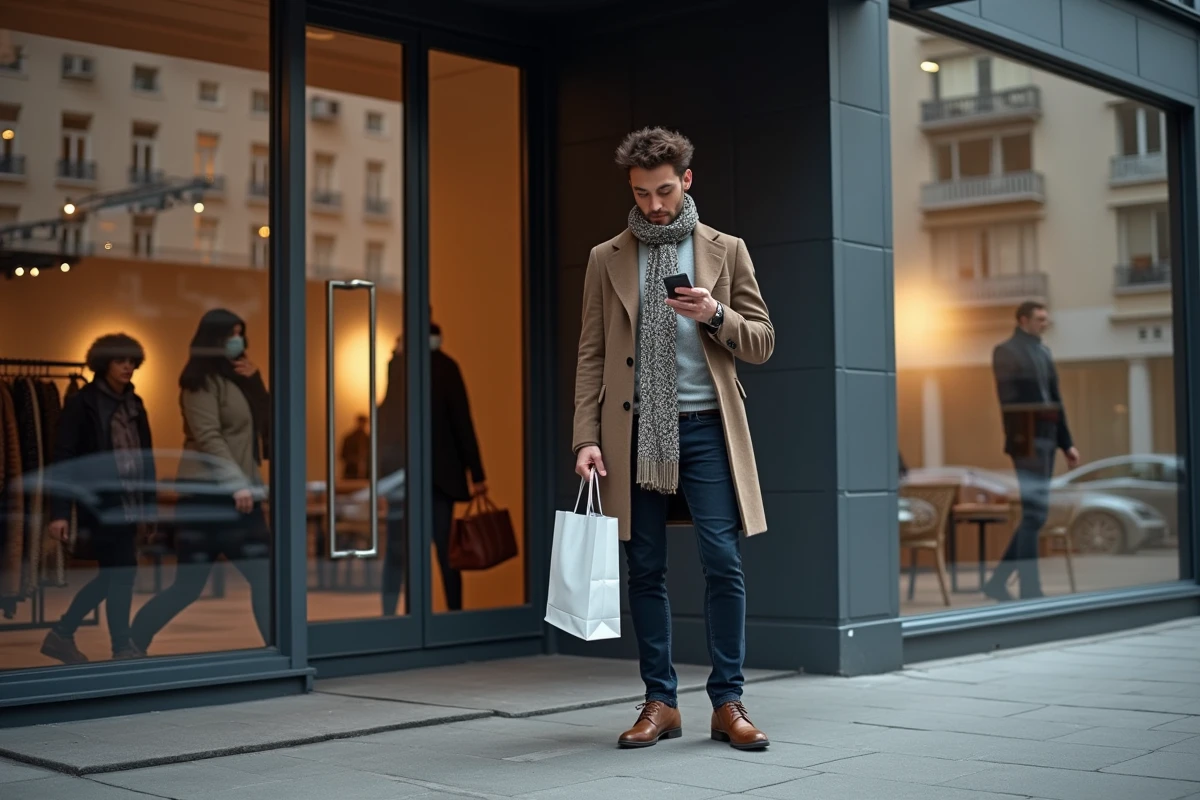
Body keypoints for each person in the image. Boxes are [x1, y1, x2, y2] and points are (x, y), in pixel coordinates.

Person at [572, 127, 774, 750]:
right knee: (646, 566)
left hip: (709, 428)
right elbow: (592, 355)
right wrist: (585, 436)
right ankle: (660, 701)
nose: (653, 205)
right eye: (641, 194)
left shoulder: (725, 249)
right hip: (634, 434)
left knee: (722, 558)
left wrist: (715, 314)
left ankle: (728, 702)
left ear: (686, 180)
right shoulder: (607, 257)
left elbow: (763, 340)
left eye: (663, 191)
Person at [130, 309, 272, 652]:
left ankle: (279, 649)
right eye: (230, 334)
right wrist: (235, 482)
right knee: (190, 586)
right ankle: (135, 637)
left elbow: (268, 426)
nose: (237, 340)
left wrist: (255, 382)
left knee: (266, 577)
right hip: (209, 496)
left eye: (240, 333)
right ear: (213, 339)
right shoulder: (198, 382)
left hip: (244, 496)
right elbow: (208, 437)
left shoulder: (238, 378)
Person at [40, 334, 155, 664]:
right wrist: (59, 512)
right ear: (104, 364)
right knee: (121, 573)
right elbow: (64, 458)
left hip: (131, 504)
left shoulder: (135, 403)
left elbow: (146, 459)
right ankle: (121, 646)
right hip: (100, 504)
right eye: (120, 361)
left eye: (132, 361)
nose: (128, 367)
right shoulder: (83, 402)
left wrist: (149, 507)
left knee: (114, 575)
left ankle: (63, 634)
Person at [380, 323, 486, 615]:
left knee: (402, 551)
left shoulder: (406, 366)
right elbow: (462, 421)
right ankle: (452, 616)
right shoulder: (444, 367)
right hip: (439, 477)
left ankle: (393, 617)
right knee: (444, 551)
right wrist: (476, 473)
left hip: (408, 476)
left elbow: (387, 414)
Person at [984, 300, 1080, 602]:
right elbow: (1009, 402)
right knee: (1034, 514)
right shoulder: (1006, 351)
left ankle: (999, 583)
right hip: (1026, 441)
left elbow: (1056, 399)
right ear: (1023, 320)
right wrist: (1027, 434)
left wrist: (1067, 443)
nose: (1044, 324)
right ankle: (1028, 589)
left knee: (1035, 516)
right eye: (1040, 319)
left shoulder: (1044, 352)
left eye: (1046, 319)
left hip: (1048, 440)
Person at [341, 414, 370, 480]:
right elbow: (343, 455)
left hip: (366, 475)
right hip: (351, 473)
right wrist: (356, 459)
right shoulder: (349, 439)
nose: (362, 425)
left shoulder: (369, 439)